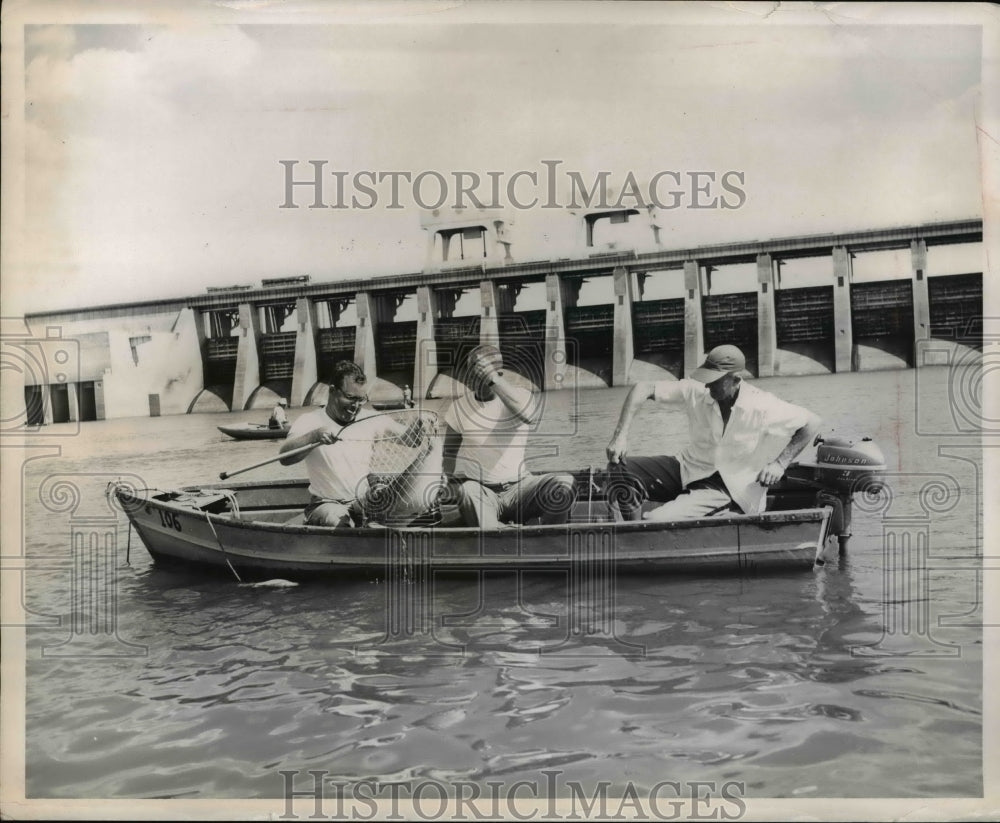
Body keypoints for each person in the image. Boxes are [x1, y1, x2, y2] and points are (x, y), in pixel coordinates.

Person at [605, 344, 821, 521]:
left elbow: (811, 422)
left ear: (736, 380)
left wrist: (780, 464)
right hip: (688, 468)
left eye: (715, 381)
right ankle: (634, 535)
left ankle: (648, 533)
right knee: (618, 468)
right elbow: (643, 388)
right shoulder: (698, 389)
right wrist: (621, 436)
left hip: (729, 487)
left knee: (654, 520)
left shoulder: (761, 406)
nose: (708, 386)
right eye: (706, 378)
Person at [280, 362, 436, 527]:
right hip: (328, 503)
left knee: (416, 508)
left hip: (362, 502)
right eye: (350, 398)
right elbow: (284, 457)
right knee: (340, 522)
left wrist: (419, 423)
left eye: (361, 399)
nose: (355, 406)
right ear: (332, 391)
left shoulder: (370, 419)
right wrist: (314, 436)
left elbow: (411, 440)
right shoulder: (310, 421)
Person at [442, 344, 577, 527]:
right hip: (482, 491)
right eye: (472, 370)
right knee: (466, 490)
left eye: (481, 371)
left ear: (500, 373)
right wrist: (441, 479)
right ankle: (502, 532)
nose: (475, 376)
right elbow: (448, 453)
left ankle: (547, 536)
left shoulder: (521, 396)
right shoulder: (457, 408)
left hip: (521, 487)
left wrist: (491, 378)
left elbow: (528, 416)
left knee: (565, 483)